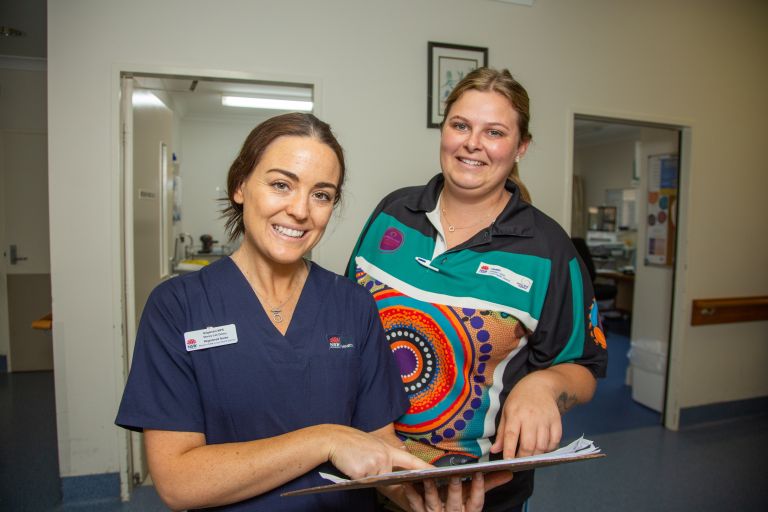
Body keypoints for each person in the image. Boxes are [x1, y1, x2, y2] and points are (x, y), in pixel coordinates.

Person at [115, 112, 476, 511]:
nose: (300, 211)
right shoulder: (178, 306)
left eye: (321, 194)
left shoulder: (352, 304)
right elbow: (178, 482)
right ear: (240, 186)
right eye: (281, 185)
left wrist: (422, 497)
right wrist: (325, 440)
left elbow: (379, 444)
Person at [347, 68, 608, 511]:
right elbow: (348, 325)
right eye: (461, 125)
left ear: (521, 147)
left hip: (476, 494)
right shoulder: (392, 213)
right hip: (368, 472)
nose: (472, 143)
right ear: (444, 129)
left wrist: (544, 385)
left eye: (495, 132)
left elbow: (583, 367)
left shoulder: (549, 251)